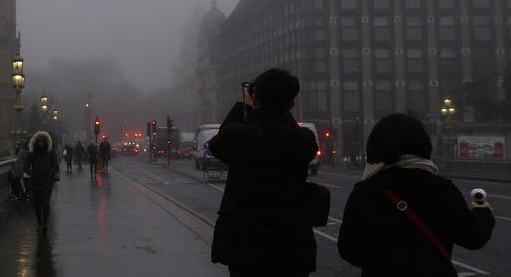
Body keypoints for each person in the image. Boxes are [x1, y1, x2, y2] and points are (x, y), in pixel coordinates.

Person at [338, 113, 495, 276]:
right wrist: (482, 212)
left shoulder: (365, 191)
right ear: (423, 145)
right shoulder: (442, 189)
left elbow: (350, 251)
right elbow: (474, 237)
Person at [208, 68, 318, 277]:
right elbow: (287, 128)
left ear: (256, 99)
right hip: (291, 242)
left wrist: (246, 107)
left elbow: (218, 144)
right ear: (291, 104)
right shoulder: (303, 139)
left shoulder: (239, 136)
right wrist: (280, 108)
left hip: (246, 243)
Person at [24, 130, 60, 231]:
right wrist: (32, 174)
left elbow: (55, 166)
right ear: (36, 143)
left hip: (47, 182)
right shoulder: (32, 154)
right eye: (39, 142)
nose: (41, 144)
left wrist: (51, 173)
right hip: (35, 182)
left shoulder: (50, 153)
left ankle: (45, 223)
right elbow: (26, 167)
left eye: (42, 142)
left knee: (45, 203)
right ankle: (39, 222)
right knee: (37, 204)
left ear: (46, 143)